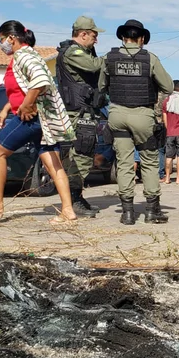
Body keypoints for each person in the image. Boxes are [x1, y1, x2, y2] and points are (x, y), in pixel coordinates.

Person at [0, 21, 76, 223]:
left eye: (1, 40)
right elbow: (20, 89)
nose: (1, 44)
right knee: (52, 161)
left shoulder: (23, 55)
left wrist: (28, 105)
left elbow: (39, 81)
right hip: (41, 119)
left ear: (11, 38)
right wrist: (5, 109)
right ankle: (68, 211)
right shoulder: (27, 56)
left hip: (30, 118)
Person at [99, 19, 174, 225]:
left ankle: (128, 213)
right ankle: (152, 211)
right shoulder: (149, 58)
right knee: (149, 162)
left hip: (117, 115)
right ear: (141, 39)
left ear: (123, 38)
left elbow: (101, 85)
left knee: (124, 163)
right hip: (143, 116)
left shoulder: (109, 58)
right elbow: (167, 86)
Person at [56, 16, 106, 218]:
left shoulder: (82, 51)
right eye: (94, 35)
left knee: (83, 155)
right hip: (78, 112)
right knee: (79, 156)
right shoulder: (73, 52)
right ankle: (73, 200)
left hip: (85, 111)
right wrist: (113, 58)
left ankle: (76, 196)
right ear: (83, 34)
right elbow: (95, 66)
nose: (96, 40)